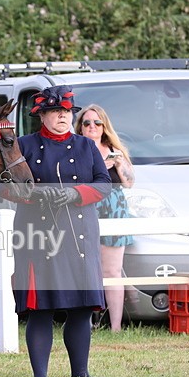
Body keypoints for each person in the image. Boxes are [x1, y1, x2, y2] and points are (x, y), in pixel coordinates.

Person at [0, 85, 111, 377]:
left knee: (81, 309)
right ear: (42, 116)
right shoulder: (24, 145)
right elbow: (2, 187)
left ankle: (80, 373)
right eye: (55, 111)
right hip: (37, 236)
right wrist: (36, 195)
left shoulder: (86, 146)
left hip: (79, 235)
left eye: (66, 112)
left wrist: (76, 193)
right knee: (40, 309)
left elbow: (104, 184)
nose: (62, 116)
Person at [75, 104, 135, 332]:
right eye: (87, 123)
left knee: (112, 271)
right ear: (80, 127)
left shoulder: (114, 150)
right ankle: (86, 322)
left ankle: (115, 326)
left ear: (104, 126)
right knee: (85, 269)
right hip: (85, 209)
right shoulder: (75, 150)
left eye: (97, 122)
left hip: (114, 211)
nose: (92, 126)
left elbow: (129, 183)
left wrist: (118, 163)